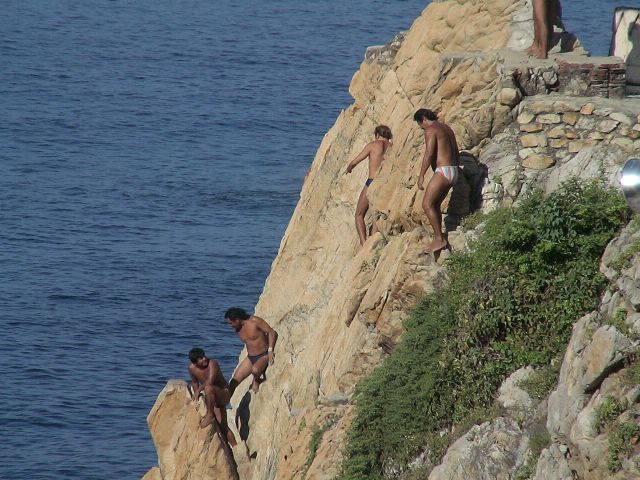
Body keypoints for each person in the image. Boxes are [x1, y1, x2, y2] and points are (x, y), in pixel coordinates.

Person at [414, 108, 460, 254]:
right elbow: (456, 151)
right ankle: (439, 237)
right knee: (435, 204)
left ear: (423, 120)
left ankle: (439, 239)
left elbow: (429, 154)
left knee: (426, 204)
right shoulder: (447, 128)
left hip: (443, 171)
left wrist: (421, 175)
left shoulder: (431, 130)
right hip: (454, 170)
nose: (422, 128)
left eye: (420, 125)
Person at [344, 125, 393, 245]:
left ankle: (364, 244)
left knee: (359, 214)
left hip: (372, 182)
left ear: (377, 135)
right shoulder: (392, 146)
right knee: (377, 215)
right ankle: (373, 242)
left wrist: (349, 169)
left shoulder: (373, 145)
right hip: (385, 184)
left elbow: (355, 161)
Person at [187, 347, 237, 446]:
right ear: (195, 363)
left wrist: (199, 390)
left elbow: (210, 381)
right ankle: (233, 447)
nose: (204, 359)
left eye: (204, 356)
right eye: (201, 359)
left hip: (223, 393)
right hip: (211, 397)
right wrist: (196, 397)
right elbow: (194, 382)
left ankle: (210, 415)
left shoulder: (212, 364)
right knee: (222, 426)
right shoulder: (192, 368)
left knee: (208, 388)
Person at [225, 308, 278, 394]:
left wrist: (270, 350)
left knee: (255, 370)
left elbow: (271, 332)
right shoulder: (238, 329)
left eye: (231, 323)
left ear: (237, 320)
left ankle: (256, 380)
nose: (230, 326)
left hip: (264, 354)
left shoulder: (255, 321)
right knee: (233, 383)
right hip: (250, 358)